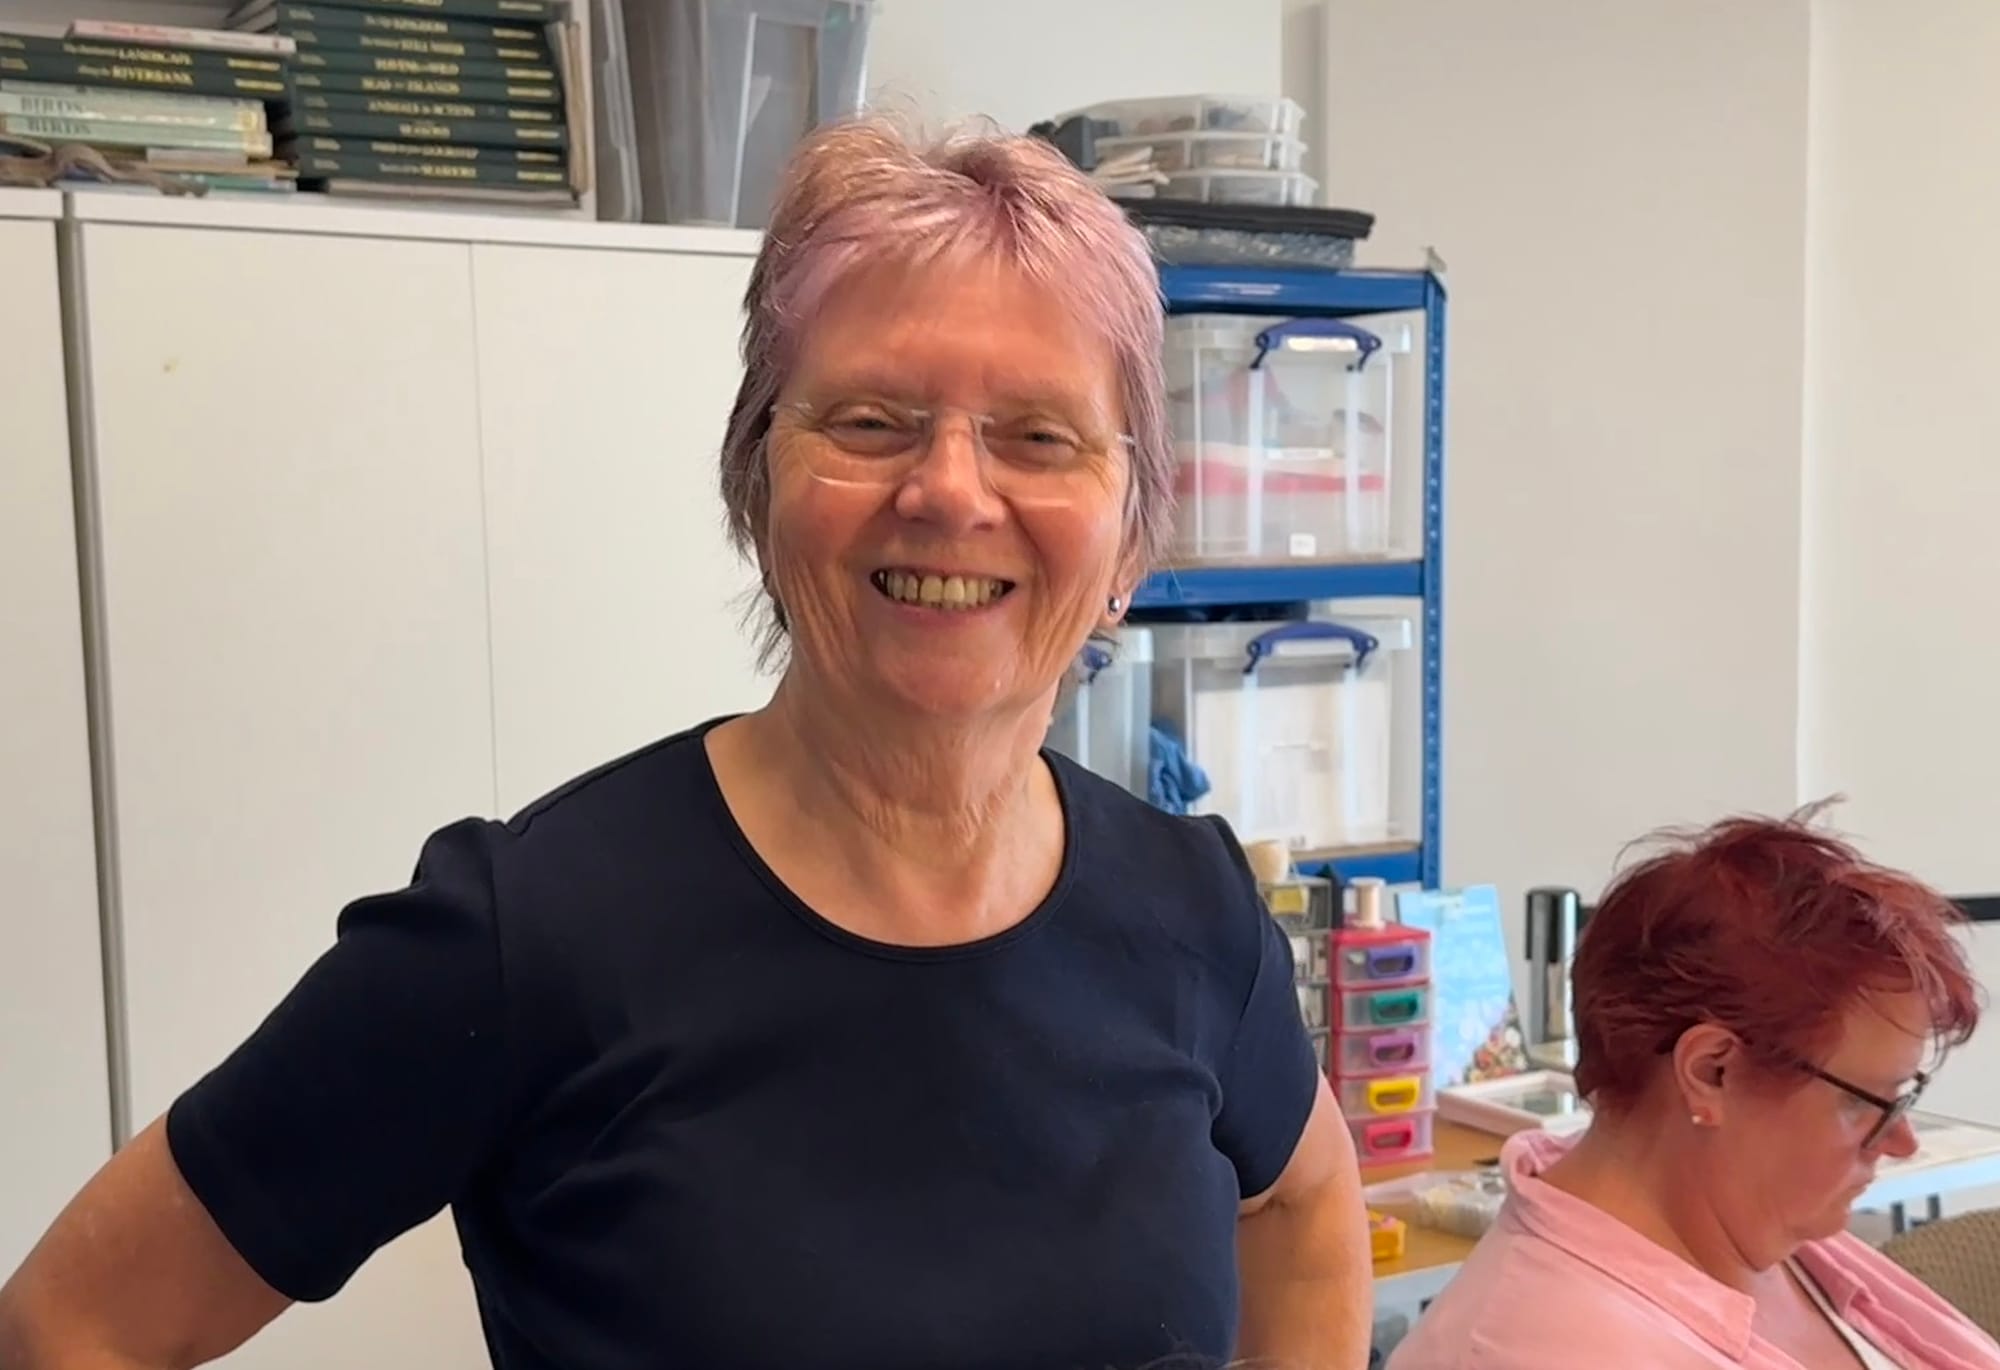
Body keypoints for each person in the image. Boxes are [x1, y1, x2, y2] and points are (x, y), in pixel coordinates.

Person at [0, 116, 1373, 1370]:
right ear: (757, 485)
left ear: (1129, 538)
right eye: (871, 420)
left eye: (1037, 435)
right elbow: (72, 1322)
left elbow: (1307, 1203)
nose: (950, 489)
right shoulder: (528, 934)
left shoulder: (1193, 915)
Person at [1391, 806, 2000, 1370]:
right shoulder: (1538, 1348)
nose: (1901, 1142)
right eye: (1866, 1102)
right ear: (1712, 1071)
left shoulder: (1768, 1233)